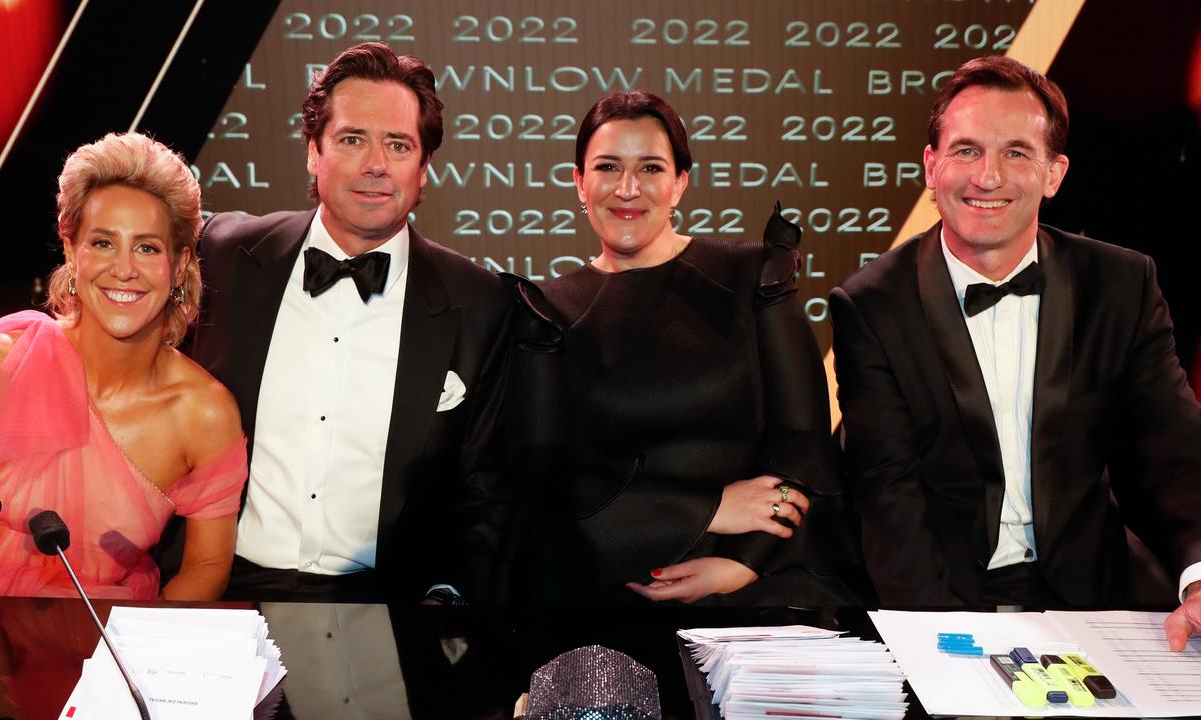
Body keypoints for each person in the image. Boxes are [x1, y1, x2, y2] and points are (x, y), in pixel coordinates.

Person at [830, 56, 1201, 648]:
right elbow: (887, 496)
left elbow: (1174, 450)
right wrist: (947, 645)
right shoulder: (871, 305)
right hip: (939, 601)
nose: (987, 177)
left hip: (1091, 603)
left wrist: (1198, 575)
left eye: (1016, 153)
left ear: (1055, 174)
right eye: (967, 151)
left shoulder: (1121, 285)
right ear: (931, 166)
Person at [505, 90, 867, 605]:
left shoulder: (751, 277)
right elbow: (548, 484)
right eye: (608, 167)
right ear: (579, 183)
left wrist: (742, 565)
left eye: (650, 168)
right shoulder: (545, 313)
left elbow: (802, 442)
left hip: (765, 581)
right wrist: (708, 508)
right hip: (610, 584)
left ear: (679, 184)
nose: (628, 188)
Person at [191, 42, 512, 603]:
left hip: (388, 605)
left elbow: (487, 488)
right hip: (223, 589)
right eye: (352, 139)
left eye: (398, 144)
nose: (376, 165)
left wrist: (447, 603)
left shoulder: (480, 302)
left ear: (424, 168)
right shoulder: (222, 254)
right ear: (314, 152)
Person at [0, 132, 246, 600]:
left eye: (147, 248)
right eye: (102, 243)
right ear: (72, 253)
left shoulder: (206, 414)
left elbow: (208, 564)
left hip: (112, 635)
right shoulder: (0, 367)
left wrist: (138, 662)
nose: (124, 269)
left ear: (180, 264)